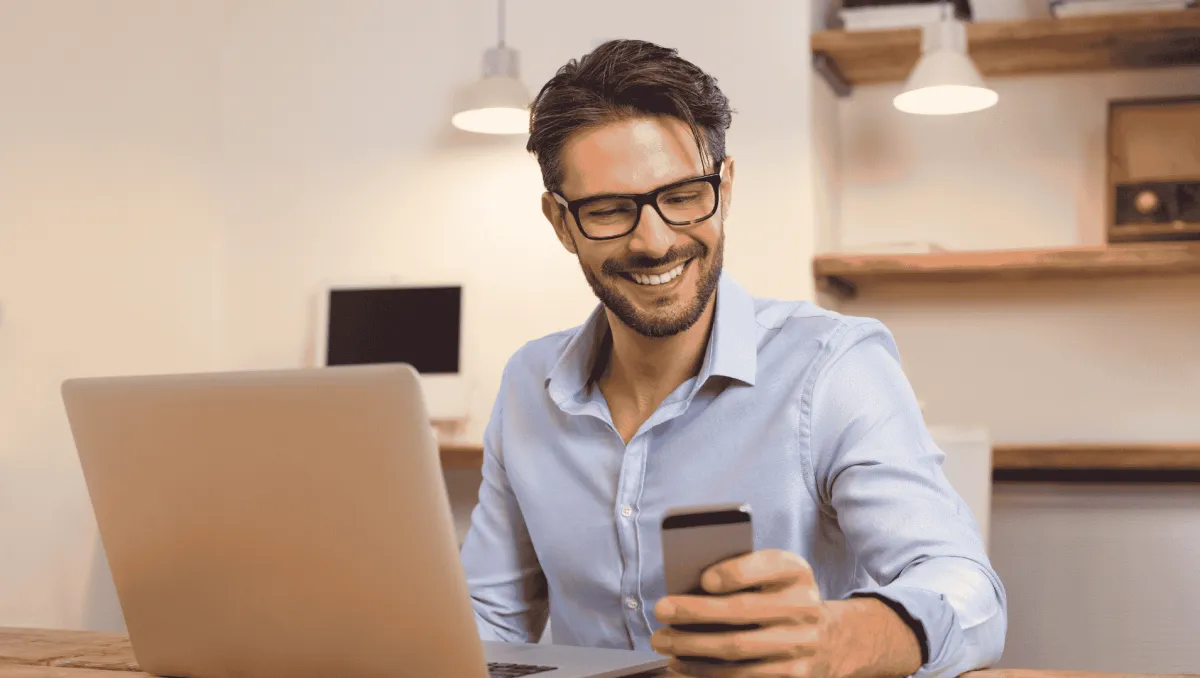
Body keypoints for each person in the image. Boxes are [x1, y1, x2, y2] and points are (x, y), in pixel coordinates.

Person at [459, 39, 1006, 678]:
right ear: (560, 223)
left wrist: (837, 639)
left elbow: (965, 590)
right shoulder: (529, 384)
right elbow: (488, 625)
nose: (655, 240)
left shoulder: (832, 366)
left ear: (725, 187)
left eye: (684, 195)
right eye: (609, 210)